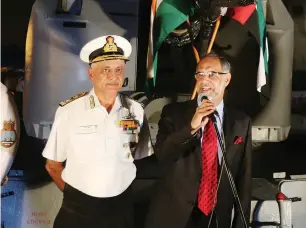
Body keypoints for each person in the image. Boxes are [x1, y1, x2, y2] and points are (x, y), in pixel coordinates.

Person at [42, 35, 153, 228]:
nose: (113, 76)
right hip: (78, 212)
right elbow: (53, 165)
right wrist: (78, 197)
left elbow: (140, 158)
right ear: (91, 74)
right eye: (106, 70)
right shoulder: (69, 111)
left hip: (121, 211)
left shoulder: (135, 110)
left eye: (118, 70)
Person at [144, 53, 252, 228]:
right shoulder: (174, 113)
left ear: (227, 79)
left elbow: (244, 177)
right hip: (175, 215)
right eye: (200, 74)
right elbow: (163, 155)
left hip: (216, 216)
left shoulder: (241, 122)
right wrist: (191, 127)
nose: (204, 80)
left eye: (212, 74)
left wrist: (241, 223)